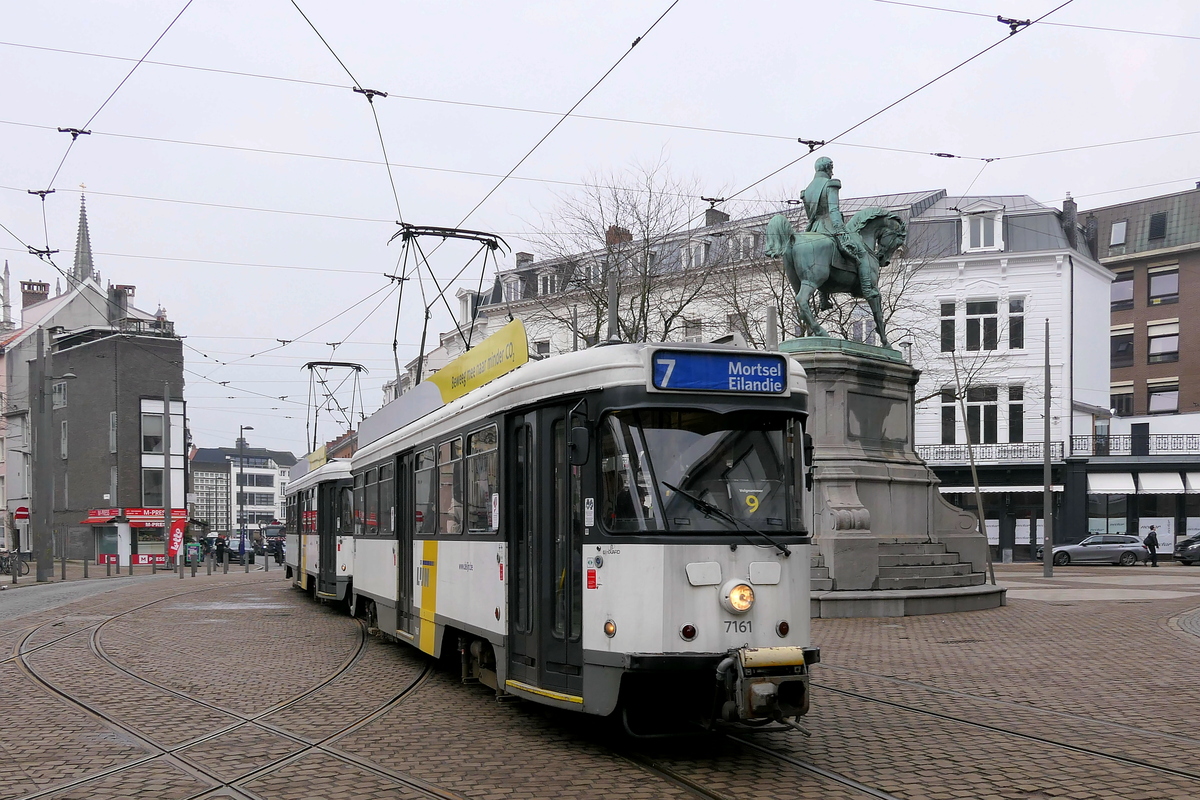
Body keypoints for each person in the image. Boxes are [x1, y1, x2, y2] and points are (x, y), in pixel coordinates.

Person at [801, 157, 874, 302]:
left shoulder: (807, 191)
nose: (832, 172)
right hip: (829, 226)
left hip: (813, 229)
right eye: (831, 168)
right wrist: (841, 231)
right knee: (860, 252)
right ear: (828, 168)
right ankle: (867, 288)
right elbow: (833, 211)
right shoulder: (830, 184)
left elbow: (810, 216)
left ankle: (823, 297)